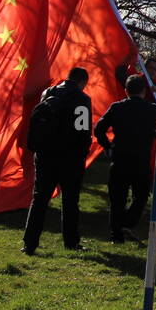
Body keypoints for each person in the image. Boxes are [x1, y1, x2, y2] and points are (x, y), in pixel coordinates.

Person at [23, 67, 92, 255]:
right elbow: (83, 130)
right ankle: (71, 242)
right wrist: (83, 152)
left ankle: (29, 243)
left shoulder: (48, 93)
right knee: (70, 200)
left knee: (39, 199)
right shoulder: (82, 99)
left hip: (45, 155)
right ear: (83, 82)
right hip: (70, 157)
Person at [94, 73, 156, 243]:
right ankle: (127, 222)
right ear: (144, 91)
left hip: (120, 157)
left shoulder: (117, 107)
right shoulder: (152, 109)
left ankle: (116, 234)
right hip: (141, 159)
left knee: (117, 198)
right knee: (141, 195)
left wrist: (107, 146)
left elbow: (99, 128)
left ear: (126, 91)